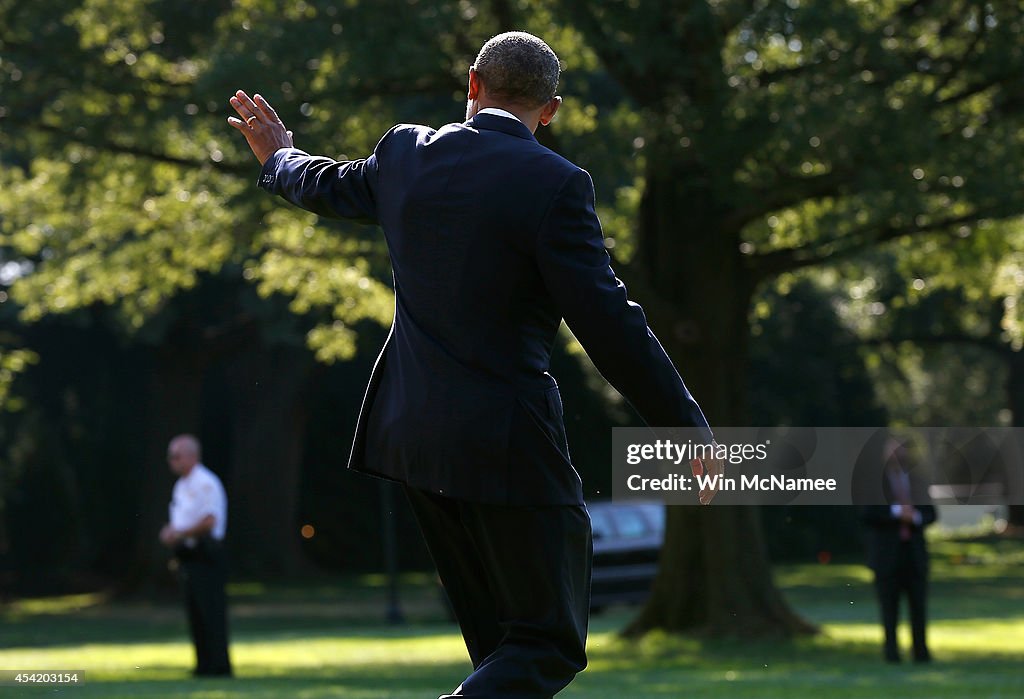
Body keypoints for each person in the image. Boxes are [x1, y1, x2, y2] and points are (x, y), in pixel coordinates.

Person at [228, 31, 721, 698]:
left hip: (411, 439)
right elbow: (611, 324)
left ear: (472, 85)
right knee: (547, 643)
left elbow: (325, 183)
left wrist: (279, 156)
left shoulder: (405, 151)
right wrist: (686, 425)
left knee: (500, 649)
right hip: (506, 440)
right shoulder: (556, 184)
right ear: (550, 110)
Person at [159, 434, 232, 677]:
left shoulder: (205, 482)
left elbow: (210, 521)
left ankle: (219, 666)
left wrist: (179, 532)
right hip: (188, 555)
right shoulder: (181, 485)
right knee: (196, 612)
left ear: (191, 456)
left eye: (176, 456)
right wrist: (172, 533)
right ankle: (203, 665)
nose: (171, 461)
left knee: (211, 611)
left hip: (206, 553)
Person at [861, 437, 937, 664]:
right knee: (889, 608)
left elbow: (931, 514)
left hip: (913, 555)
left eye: (900, 450)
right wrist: (896, 513)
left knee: (918, 607)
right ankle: (891, 652)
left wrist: (913, 516)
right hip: (886, 557)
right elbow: (868, 514)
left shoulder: (917, 481)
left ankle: (920, 652)